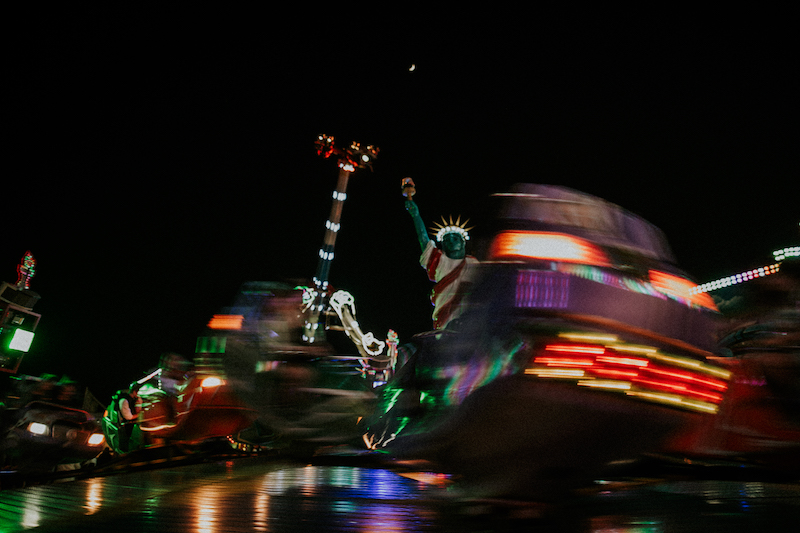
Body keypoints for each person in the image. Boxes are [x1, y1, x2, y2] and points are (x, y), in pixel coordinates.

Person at [404, 179, 479, 330]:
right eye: (447, 240)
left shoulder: (473, 264)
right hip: (444, 318)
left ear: (463, 243)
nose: (451, 242)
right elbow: (423, 239)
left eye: (455, 238)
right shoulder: (439, 260)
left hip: (470, 322)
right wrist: (415, 215)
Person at [116, 383, 142, 452]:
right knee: (125, 446)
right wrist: (140, 415)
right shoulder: (124, 400)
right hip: (126, 427)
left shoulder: (136, 399)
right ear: (134, 391)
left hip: (133, 426)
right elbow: (128, 417)